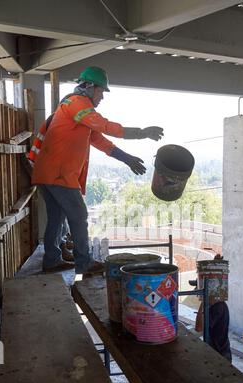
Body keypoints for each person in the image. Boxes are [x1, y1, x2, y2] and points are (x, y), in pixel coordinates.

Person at [31, 66, 164, 275]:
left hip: (47, 172)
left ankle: (51, 261)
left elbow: (100, 141)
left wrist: (127, 159)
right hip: (58, 174)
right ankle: (84, 263)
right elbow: (104, 126)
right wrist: (141, 132)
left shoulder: (75, 112)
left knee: (56, 218)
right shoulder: (77, 104)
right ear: (90, 87)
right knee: (79, 214)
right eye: (101, 91)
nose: (102, 97)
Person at [28, 115, 74, 262]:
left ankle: (59, 250)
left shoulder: (56, 119)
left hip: (44, 172)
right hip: (50, 174)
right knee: (57, 215)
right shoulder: (61, 120)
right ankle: (53, 259)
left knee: (58, 214)